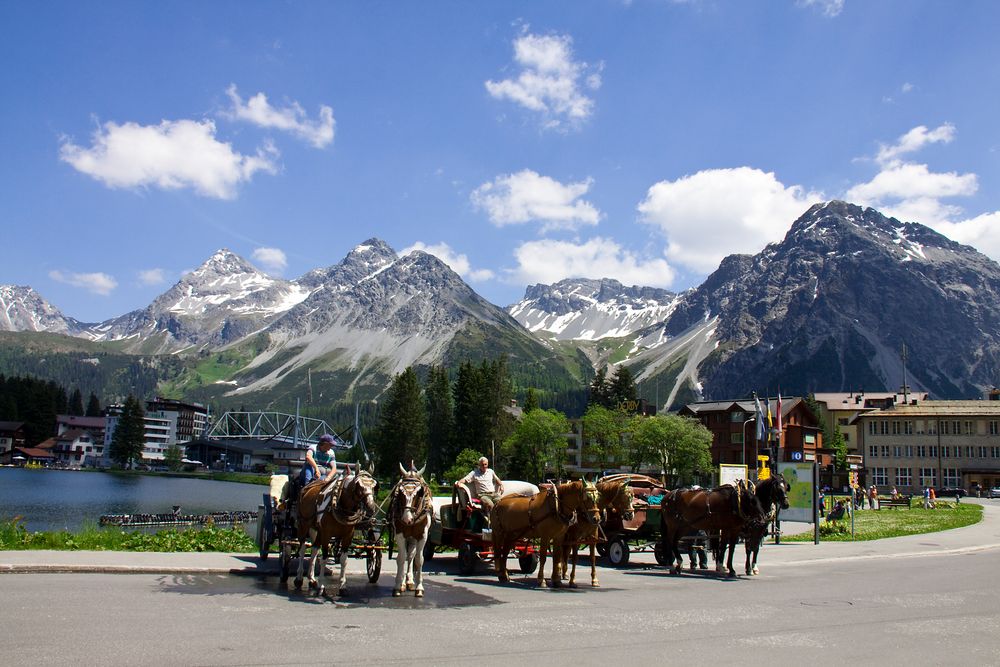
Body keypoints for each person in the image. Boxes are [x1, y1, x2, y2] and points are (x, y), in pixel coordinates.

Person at [456, 456, 504, 524]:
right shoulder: (474, 473)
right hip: (483, 495)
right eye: (482, 464)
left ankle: (503, 521)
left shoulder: (490, 471)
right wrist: (459, 482)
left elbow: (497, 479)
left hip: (493, 494)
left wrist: (501, 485)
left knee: (502, 503)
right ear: (479, 465)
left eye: (485, 464)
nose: (484, 466)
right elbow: (465, 479)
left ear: (487, 464)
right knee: (490, 505)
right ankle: (494, 524)